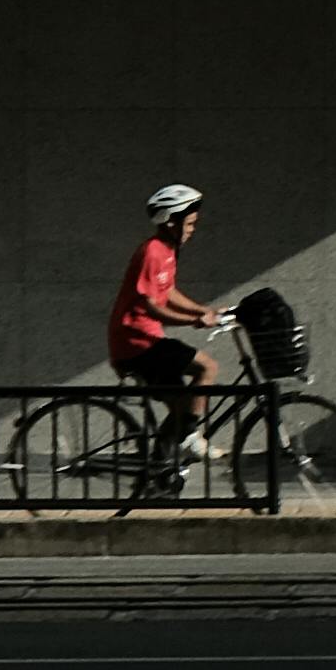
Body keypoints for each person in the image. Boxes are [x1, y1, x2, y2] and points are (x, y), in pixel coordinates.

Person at [106, 178, 224, 499]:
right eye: (189, 223)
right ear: (170, 221)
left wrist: (203, 310)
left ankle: (156, 481)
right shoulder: (152, 252)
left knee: (181, 405)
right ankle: (189, 437)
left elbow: (168, 292)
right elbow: (151, 306)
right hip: (137, 342)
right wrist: (194, 321)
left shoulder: (167, 251)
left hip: (145, 340)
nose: (192, 229)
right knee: (207, 368)